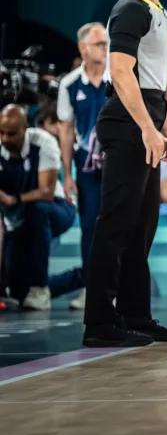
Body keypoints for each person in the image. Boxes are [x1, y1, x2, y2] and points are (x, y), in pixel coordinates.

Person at [83, 0, 167, 348]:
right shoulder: (131, 9)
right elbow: (121, 73)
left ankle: (135, 315)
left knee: (142, 226)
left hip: (146, 116)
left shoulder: (158, 9)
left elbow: (154, 77)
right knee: (116, 224)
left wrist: (165, 126)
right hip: (126, 122)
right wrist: (146, 128)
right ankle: (100, 323)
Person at [0, 105, 81, 309]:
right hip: (17, 219)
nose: (5, 139)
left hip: (57, 208)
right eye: (1, 132)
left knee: (37, 210)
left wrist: (13, 200)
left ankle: (39, 287)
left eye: (11, 133)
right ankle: (87, 277)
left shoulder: (43, 142)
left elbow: (46, 191)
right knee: (19, 292)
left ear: (25, 127)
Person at [55, 21, 109, 311]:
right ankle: (92, 288)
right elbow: (65, 131)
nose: (105, 48)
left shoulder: (119, 76)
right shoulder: (70, 84)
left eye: (106, 43)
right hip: (85, 166)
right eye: (99, 44)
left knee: (120, 225)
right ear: (83, 48)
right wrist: (67, 175)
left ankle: (117, 289)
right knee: (90, 226)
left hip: (117, 163)